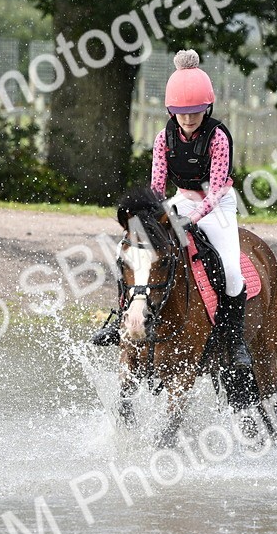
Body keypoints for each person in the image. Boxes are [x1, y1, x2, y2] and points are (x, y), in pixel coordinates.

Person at [92, 49, 251, 370]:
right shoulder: (163, 137)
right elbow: (156, 187)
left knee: (232, 274)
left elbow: (217, 188)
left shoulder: (218, 137)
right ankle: (122, 318)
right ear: (171, 110)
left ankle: (234, 342)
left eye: (195, 112)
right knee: (138, 253)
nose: (189, 119)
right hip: (179, 200)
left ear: (207, 108)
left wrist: (189, 220)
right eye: (182, 112)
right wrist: (156, 219)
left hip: (217, 204)